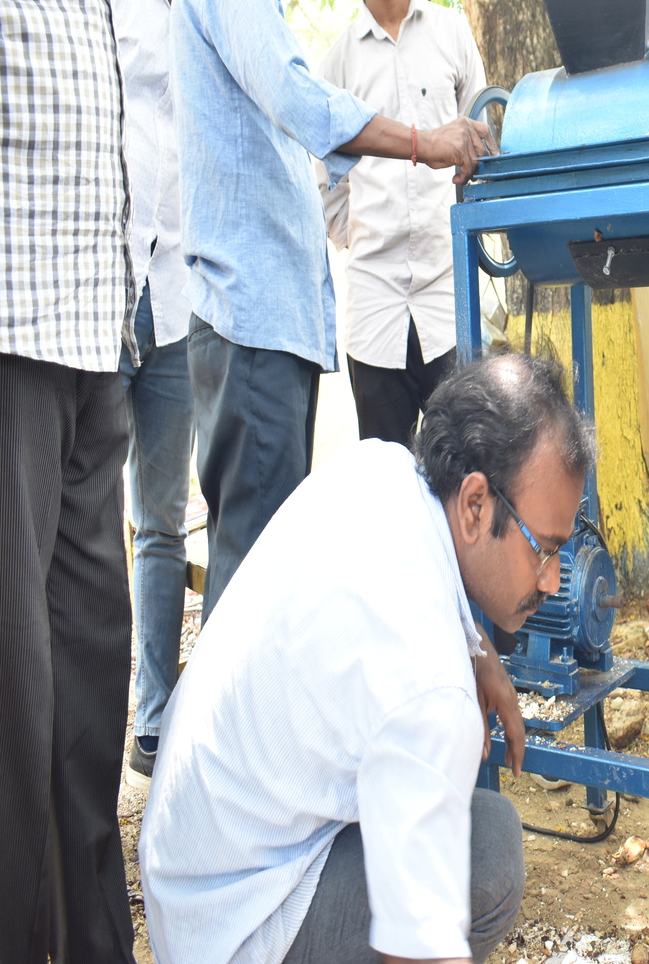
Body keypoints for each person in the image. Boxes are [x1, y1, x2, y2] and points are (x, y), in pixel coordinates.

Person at [139, 351, 593, 963]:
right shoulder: (433, 689)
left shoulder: (381, 468)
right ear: (476, 505)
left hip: (191, 876)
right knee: (488, 851)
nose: (552, 580)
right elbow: (420, 953)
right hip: (239, 931)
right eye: (546, 549)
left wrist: (480, 649)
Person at [171, 0, 495, 621]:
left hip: (285, 325)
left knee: (266, 558)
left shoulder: (268, 5)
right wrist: (422, 142)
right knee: (254, 571)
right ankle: (225, 747)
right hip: (254, 320)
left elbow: (308, 149)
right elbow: (304, 106)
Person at [0, 0, 137, 954]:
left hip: (92, 314)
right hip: (0, 308)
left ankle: (93, 941)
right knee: (5, 690)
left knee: (91, 672)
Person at [107, 0, 246, 791]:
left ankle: (152, 721)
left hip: (171, 302)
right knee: (60, 519)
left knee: (160, 519)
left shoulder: (211, 5)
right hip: (88, 292)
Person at [318, 0, 487, 448]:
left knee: (466, 480)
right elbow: (329, 193)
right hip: (375, 316)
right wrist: (368, 240)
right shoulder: (337, 62)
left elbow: (480, 150)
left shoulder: (451, 33)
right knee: (386, 493)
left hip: (449, 303)